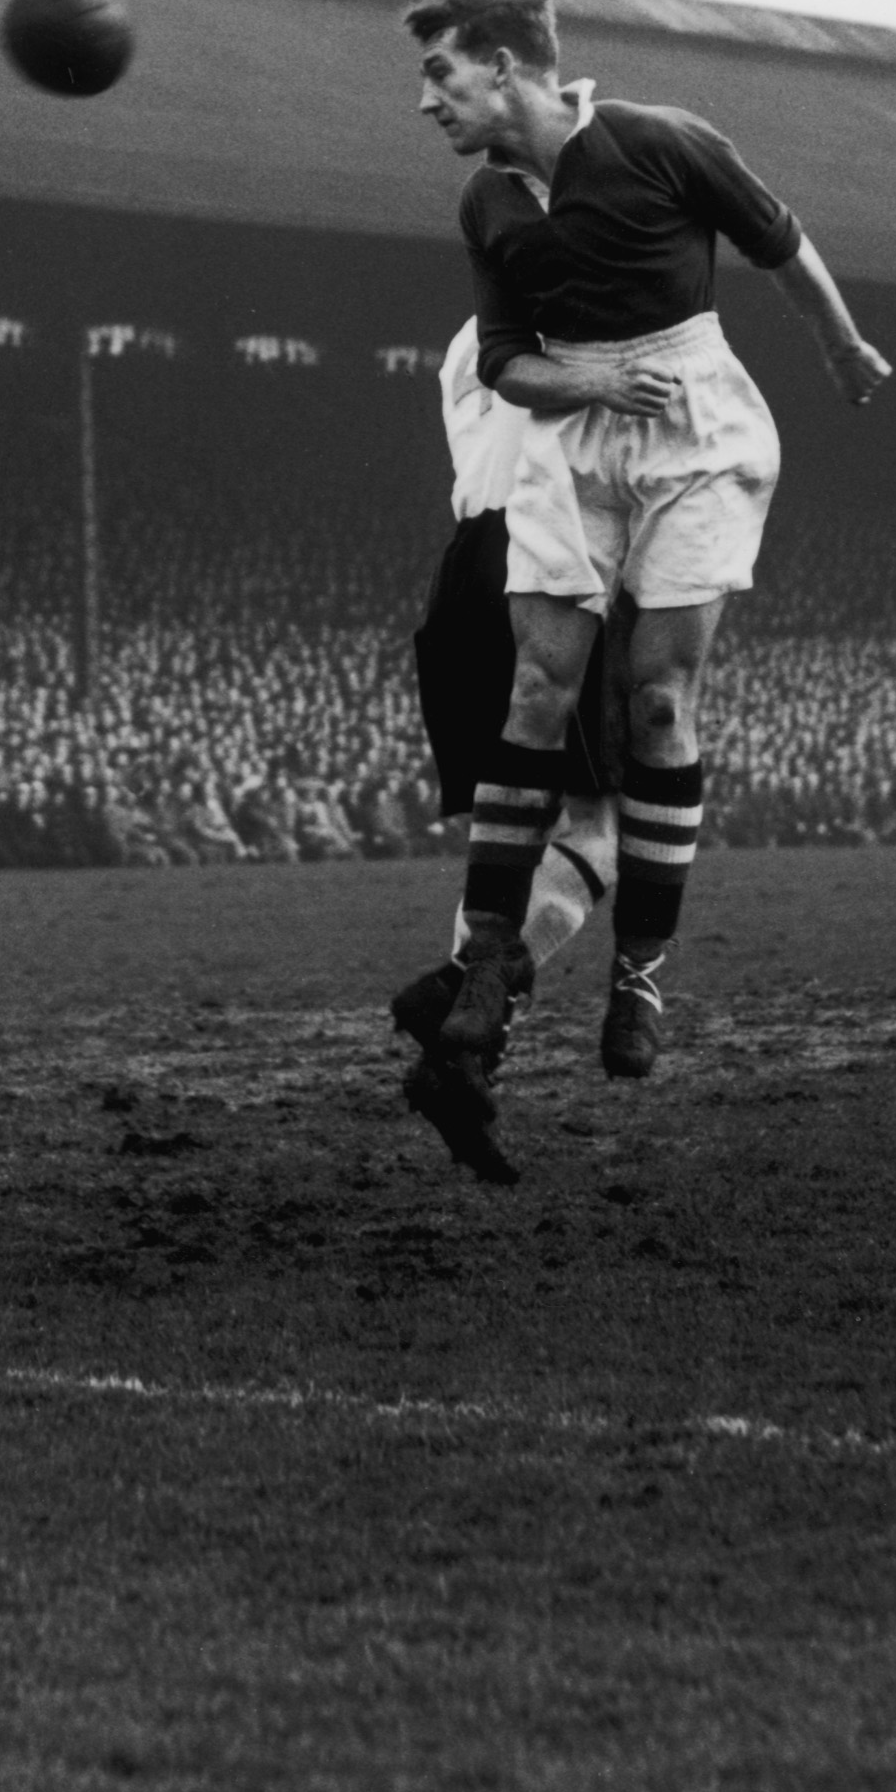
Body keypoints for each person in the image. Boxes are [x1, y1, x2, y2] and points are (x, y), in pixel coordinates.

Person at [404, 0, 894, 1084]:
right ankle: (485, 966)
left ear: (503, 66)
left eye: (439, 73)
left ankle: (638, 975)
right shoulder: (485, 203)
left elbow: (781, 242)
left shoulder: (660, 139)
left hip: (691, 414)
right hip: (573, 424)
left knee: (660, 702)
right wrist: (585, 380)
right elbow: (504, 360)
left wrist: (840, 344)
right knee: (537, 691)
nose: (426, 101)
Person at [390, 319, 631, 1184]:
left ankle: (464, 1062)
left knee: (504, 841)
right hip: (541, 556)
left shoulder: (469, 341)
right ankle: (457, 1003)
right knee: (598, 829)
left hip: (462, 572)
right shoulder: (568, 312)